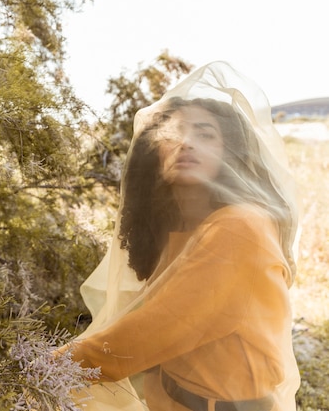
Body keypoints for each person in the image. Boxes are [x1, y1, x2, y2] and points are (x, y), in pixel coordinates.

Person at [55, 62, 300, 411]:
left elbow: (148, 334)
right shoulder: (182, 228)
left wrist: (51, 363)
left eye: (205, 134)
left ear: (229, 151)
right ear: (152, 153)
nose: (186, 143)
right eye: (172, 133)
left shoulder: (239, 227)